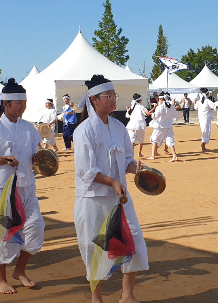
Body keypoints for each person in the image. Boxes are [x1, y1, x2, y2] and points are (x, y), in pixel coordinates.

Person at [72, 74, 148, 303]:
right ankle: (96, 297)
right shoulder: (84, 130)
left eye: (114, 95)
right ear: (94, 99)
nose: (114, 99)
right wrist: (112, 181)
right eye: (109, 96)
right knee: (94, 247)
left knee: (132, 239)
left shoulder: (118, 126)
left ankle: (127, 295)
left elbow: (126, 159)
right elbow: (87, 171)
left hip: (119, 197)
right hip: (93, 199)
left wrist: (138, 169)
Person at [0, 78, 44, 295]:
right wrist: (3, 160)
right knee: (0, 233)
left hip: (26, 185)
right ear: (5, 104)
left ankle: (19, 270)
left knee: (35, 228)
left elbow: (36, 153)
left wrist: (45, 159)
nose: (22, 107)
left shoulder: (29, 128)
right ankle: (1, 279)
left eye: (24, 102)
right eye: (18, 103)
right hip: (1, 189)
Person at [126, 94, 148, 158]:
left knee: (132, 141)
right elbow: (146, 113)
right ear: (140, 100)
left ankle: (131, 155)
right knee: (140, 141)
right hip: (139, 125)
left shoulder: (131, 107)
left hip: (131, 126)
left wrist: (128, 110)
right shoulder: (141, 107)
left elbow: (127, 116)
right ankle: (139, 153)